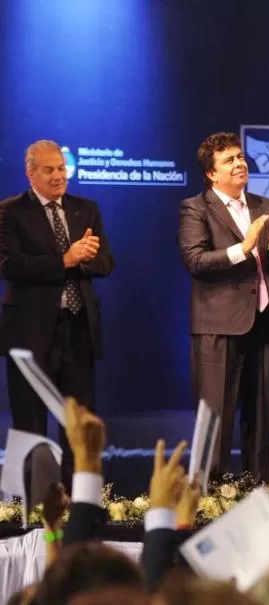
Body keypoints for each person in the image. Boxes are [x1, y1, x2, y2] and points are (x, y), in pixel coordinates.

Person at [177, 132, 269, 481]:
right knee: (216, 416)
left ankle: (257, 490)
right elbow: (194, 260)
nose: (240, 163)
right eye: (229, 160)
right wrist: (242, 248)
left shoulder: (266, 206)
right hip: (219, 325)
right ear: (211, 173)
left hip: (263, 322)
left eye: (241, 157)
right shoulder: (196, 207)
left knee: (261, 418)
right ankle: (210, 498)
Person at [0, 140, 114, 488]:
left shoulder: (85, 209)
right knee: (30, 421)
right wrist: (65, 259)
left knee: (78, 421)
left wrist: (87, 256)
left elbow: (106, 263)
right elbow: (8, 264)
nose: (58, 176)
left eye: (62, 168)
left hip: (78, 330)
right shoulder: (10, 212)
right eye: (49, 170)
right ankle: (32, 504)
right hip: (30, 333)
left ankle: (80, 500)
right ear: (30, 173)